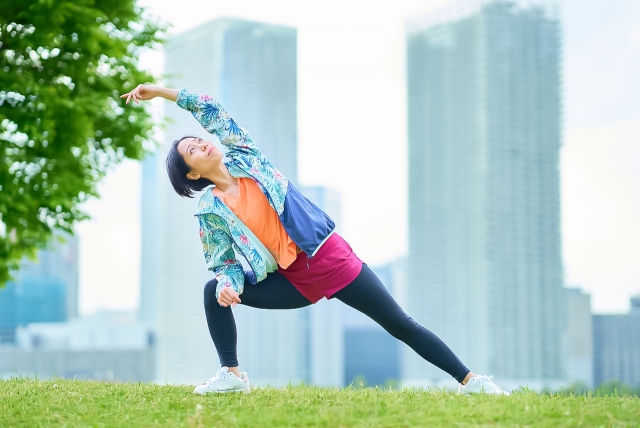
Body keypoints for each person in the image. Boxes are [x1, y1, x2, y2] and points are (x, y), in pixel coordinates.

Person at [121, 84, 510, 396]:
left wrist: (160, 92)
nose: (203, 144)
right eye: (193, 149)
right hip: (292, 280)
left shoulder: (247, 158)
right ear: (192, 174)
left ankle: (472, 381)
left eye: (199, 140)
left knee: (399, 324)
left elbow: (210, 109)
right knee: (211, 290)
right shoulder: (210, 211)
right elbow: (222, 262)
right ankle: (231, 374)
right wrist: (226, 285)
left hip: (330, 259)